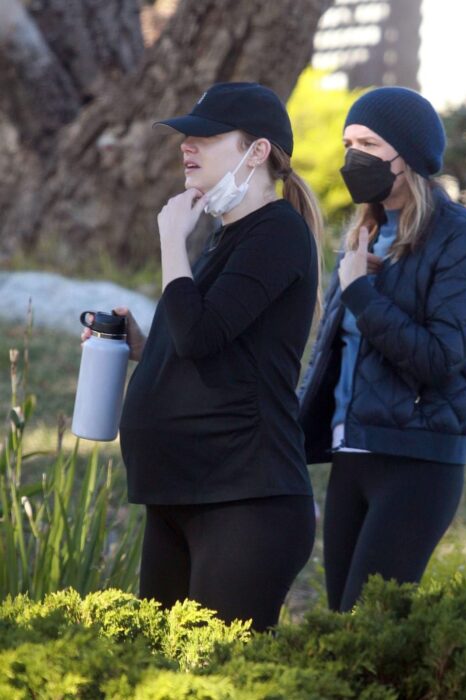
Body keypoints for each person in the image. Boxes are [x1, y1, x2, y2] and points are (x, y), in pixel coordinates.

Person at [88, 82, 323, 631]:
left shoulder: (278, 233)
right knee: (160, 676)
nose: (186, 147)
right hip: (181, 496)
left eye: (205, 136)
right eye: (185, 137)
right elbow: (211, 349)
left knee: (214, 682)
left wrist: (172, 241)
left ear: (257, 151)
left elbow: (199, 336)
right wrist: (141, 345)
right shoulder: (225, 238)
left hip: (244, 501)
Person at [299, 86, 466, 613]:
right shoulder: (363, 235)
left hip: (415, 462)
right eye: (349, 141)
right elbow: (335, 355)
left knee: (367, 628)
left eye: (370, 143)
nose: (355, 156)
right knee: (340, 626)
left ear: (410, 156)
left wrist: (359, 292)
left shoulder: (459, 237)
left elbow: (441, 357)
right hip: (352, 454)